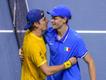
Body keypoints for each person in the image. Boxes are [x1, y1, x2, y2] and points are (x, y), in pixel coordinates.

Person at [20, 9, 77, 80]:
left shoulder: (29, 33)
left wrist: (22, 50)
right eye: (44, 20)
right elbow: (47, 71)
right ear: (36, 24)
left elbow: (28, 46)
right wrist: (68, 63)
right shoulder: (34, 47)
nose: (47, 21)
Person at [43, 5, 96, 80]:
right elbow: (36, 41)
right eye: (52, 18)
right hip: (53, 77)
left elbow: (90, 61)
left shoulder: (75, 40)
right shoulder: (49, 33)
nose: (51, 21)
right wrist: (22, 50)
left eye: (55, 18)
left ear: (64, 19)